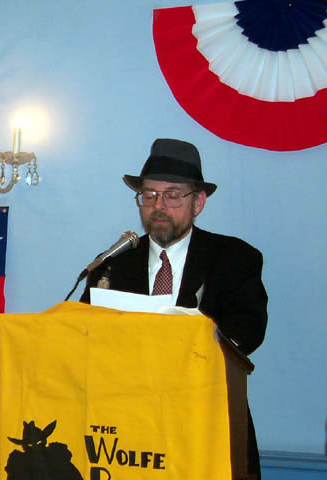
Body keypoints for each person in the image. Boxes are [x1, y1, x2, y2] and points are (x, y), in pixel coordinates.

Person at [79, 138, 267, 477]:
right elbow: (82, 336)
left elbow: (248, 333)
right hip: (127, 431)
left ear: (198, 203)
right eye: (149, 195)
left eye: (173, 195)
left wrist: (191, 335)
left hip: (205, 420)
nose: (159, 206)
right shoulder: (112, 265)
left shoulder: (234, 259)